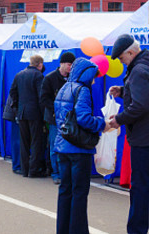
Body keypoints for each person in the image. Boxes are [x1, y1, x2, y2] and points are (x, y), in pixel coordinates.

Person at [54, 58, 109, 234]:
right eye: (93, 76)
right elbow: (84, 118)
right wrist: (101, 124)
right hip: (78, 148)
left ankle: (63, 230)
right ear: (86, 74)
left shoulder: (64, 88)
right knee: (79, 193)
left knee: (65, 191)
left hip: (63, 146)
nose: (94, 80)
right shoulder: (82, 90)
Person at [108, 35, 149, 234]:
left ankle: (136, 231)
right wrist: (124, 91)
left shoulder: (139, 70)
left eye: (122, 59)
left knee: (140, 188)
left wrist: (119, 119)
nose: (122, 63)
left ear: (131, 53)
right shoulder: (144, 65)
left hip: (143, 138)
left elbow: (141, 105)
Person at [40, 51, 75, 185]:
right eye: (68, 64)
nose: (70, 67)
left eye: (72, 65)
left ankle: (67, 173)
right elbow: (44, 99)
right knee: (55, 146)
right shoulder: (49, 78)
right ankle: (56, 173)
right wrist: (57, 109)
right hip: (54, 119)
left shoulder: (72, 78)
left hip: (70, 119)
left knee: (68, 146)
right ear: (61, 63)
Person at [10, 54, 46, 177]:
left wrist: (17, 108)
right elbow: (41, 96)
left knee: (24, 142)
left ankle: (24, 169)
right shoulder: (38, 75)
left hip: (22, 112)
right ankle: (34, 170)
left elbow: (12, 93)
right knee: (36, 142)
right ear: (40, 64)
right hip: (35, 113)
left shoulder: (19, 74)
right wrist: (43, 114)